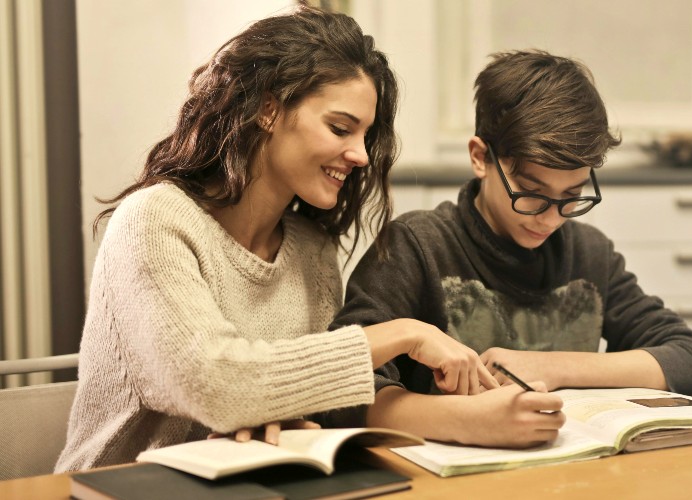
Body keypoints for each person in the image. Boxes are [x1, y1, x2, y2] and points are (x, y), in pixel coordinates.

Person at [56, 6, 496, 473]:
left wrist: (284, 422)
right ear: (269, 108)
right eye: (341, 128)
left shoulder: (312, 251)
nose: (361, 155)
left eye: (367, 135)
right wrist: (403, 333)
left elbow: (290, 401)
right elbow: (218, 385)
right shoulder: (154, 222)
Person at [333, 50, 692, 448]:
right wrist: (464, 420)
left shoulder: (589, 253)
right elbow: (336, 389)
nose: (550, 219)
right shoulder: (416, 248)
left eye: (571, 196)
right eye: (532, 195)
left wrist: (550, 366)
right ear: (480, 157)